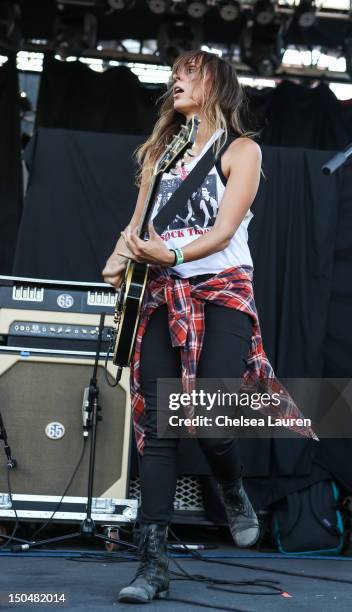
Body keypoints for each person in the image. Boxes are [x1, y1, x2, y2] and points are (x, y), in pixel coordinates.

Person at [102, 49, 316, 605]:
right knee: (160, 431)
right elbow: (139, 223)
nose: (176, 79)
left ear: (216, 83)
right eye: (174, 73)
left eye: (189, 72)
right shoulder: (160, 153)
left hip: (221, 290)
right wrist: (120, 255)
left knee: (211, 417)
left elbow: (222, 232)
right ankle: (153, 566)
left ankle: (230, 486)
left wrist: (169, 256)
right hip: (161, 295)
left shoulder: (242, 150)